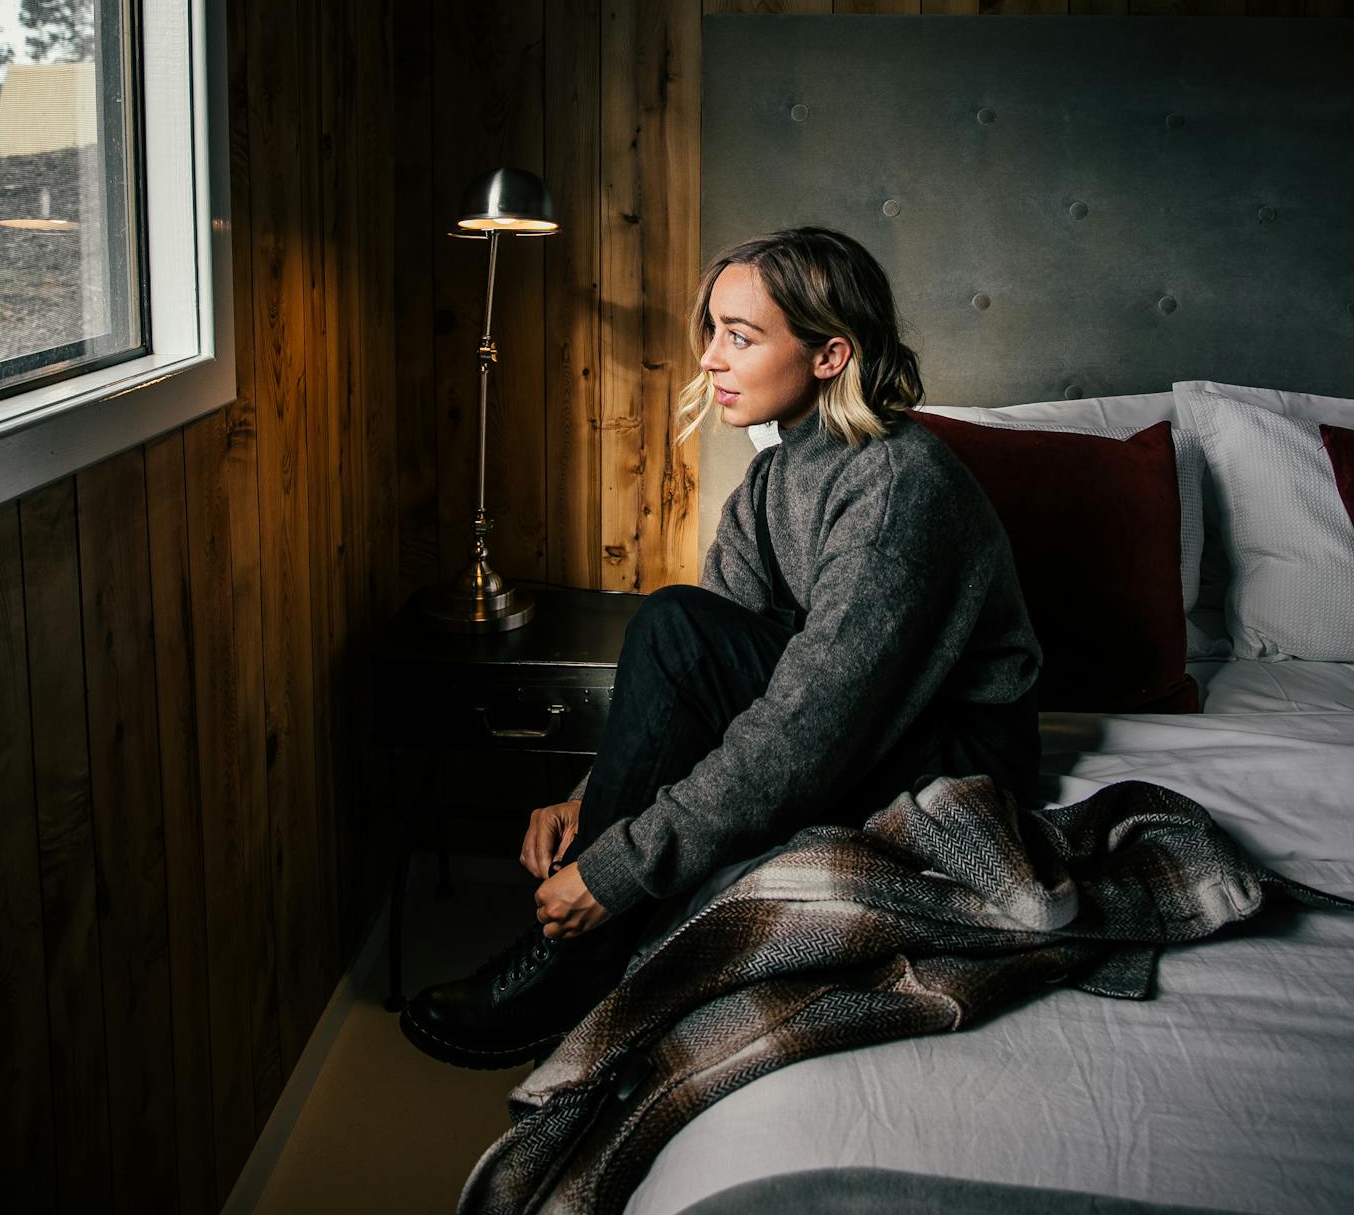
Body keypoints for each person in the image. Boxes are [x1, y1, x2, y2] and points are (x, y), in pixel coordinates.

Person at [400, 227, 1042, 1070]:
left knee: (669, 620)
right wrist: (587, 801)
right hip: (866, 719)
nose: (709, 358)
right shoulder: (775, 478)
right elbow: (692, 679)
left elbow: (813, 721)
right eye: (711, 331)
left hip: (957, 748)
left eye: (739, 336)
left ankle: (578, 973)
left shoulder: (894, 488)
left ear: (828, 355)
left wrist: (620, 869)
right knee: (678, 624)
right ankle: (578, 960)